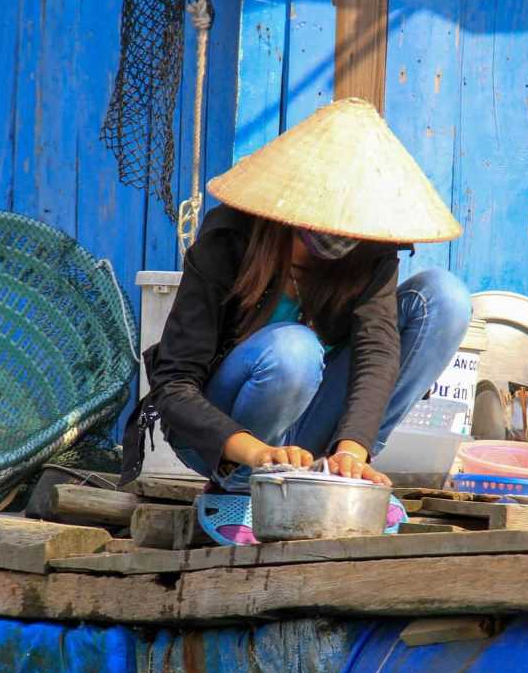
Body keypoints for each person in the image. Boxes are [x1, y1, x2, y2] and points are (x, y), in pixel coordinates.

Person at [120, 98, 470, 545]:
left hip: (308, 440)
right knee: (294, 348)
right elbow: (174, 385)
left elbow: (378, 351)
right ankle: (241, 486)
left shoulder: (372, 252)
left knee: (445, 298)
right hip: (224, 439)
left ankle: (341, 475)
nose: (341, 234)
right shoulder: (228, 238)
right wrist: (259, 455)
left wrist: (353, 450)